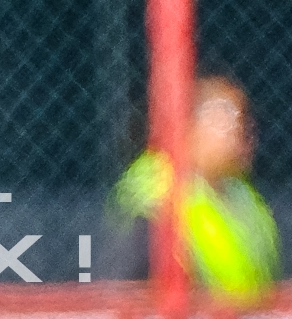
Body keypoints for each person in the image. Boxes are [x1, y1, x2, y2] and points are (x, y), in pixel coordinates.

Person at [111, 76, 278, 303]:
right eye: (231, 121)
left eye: (247, 123)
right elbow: (134, 283)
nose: (244, 133)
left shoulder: (243, 195)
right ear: (191, 127)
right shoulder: (155, 188)